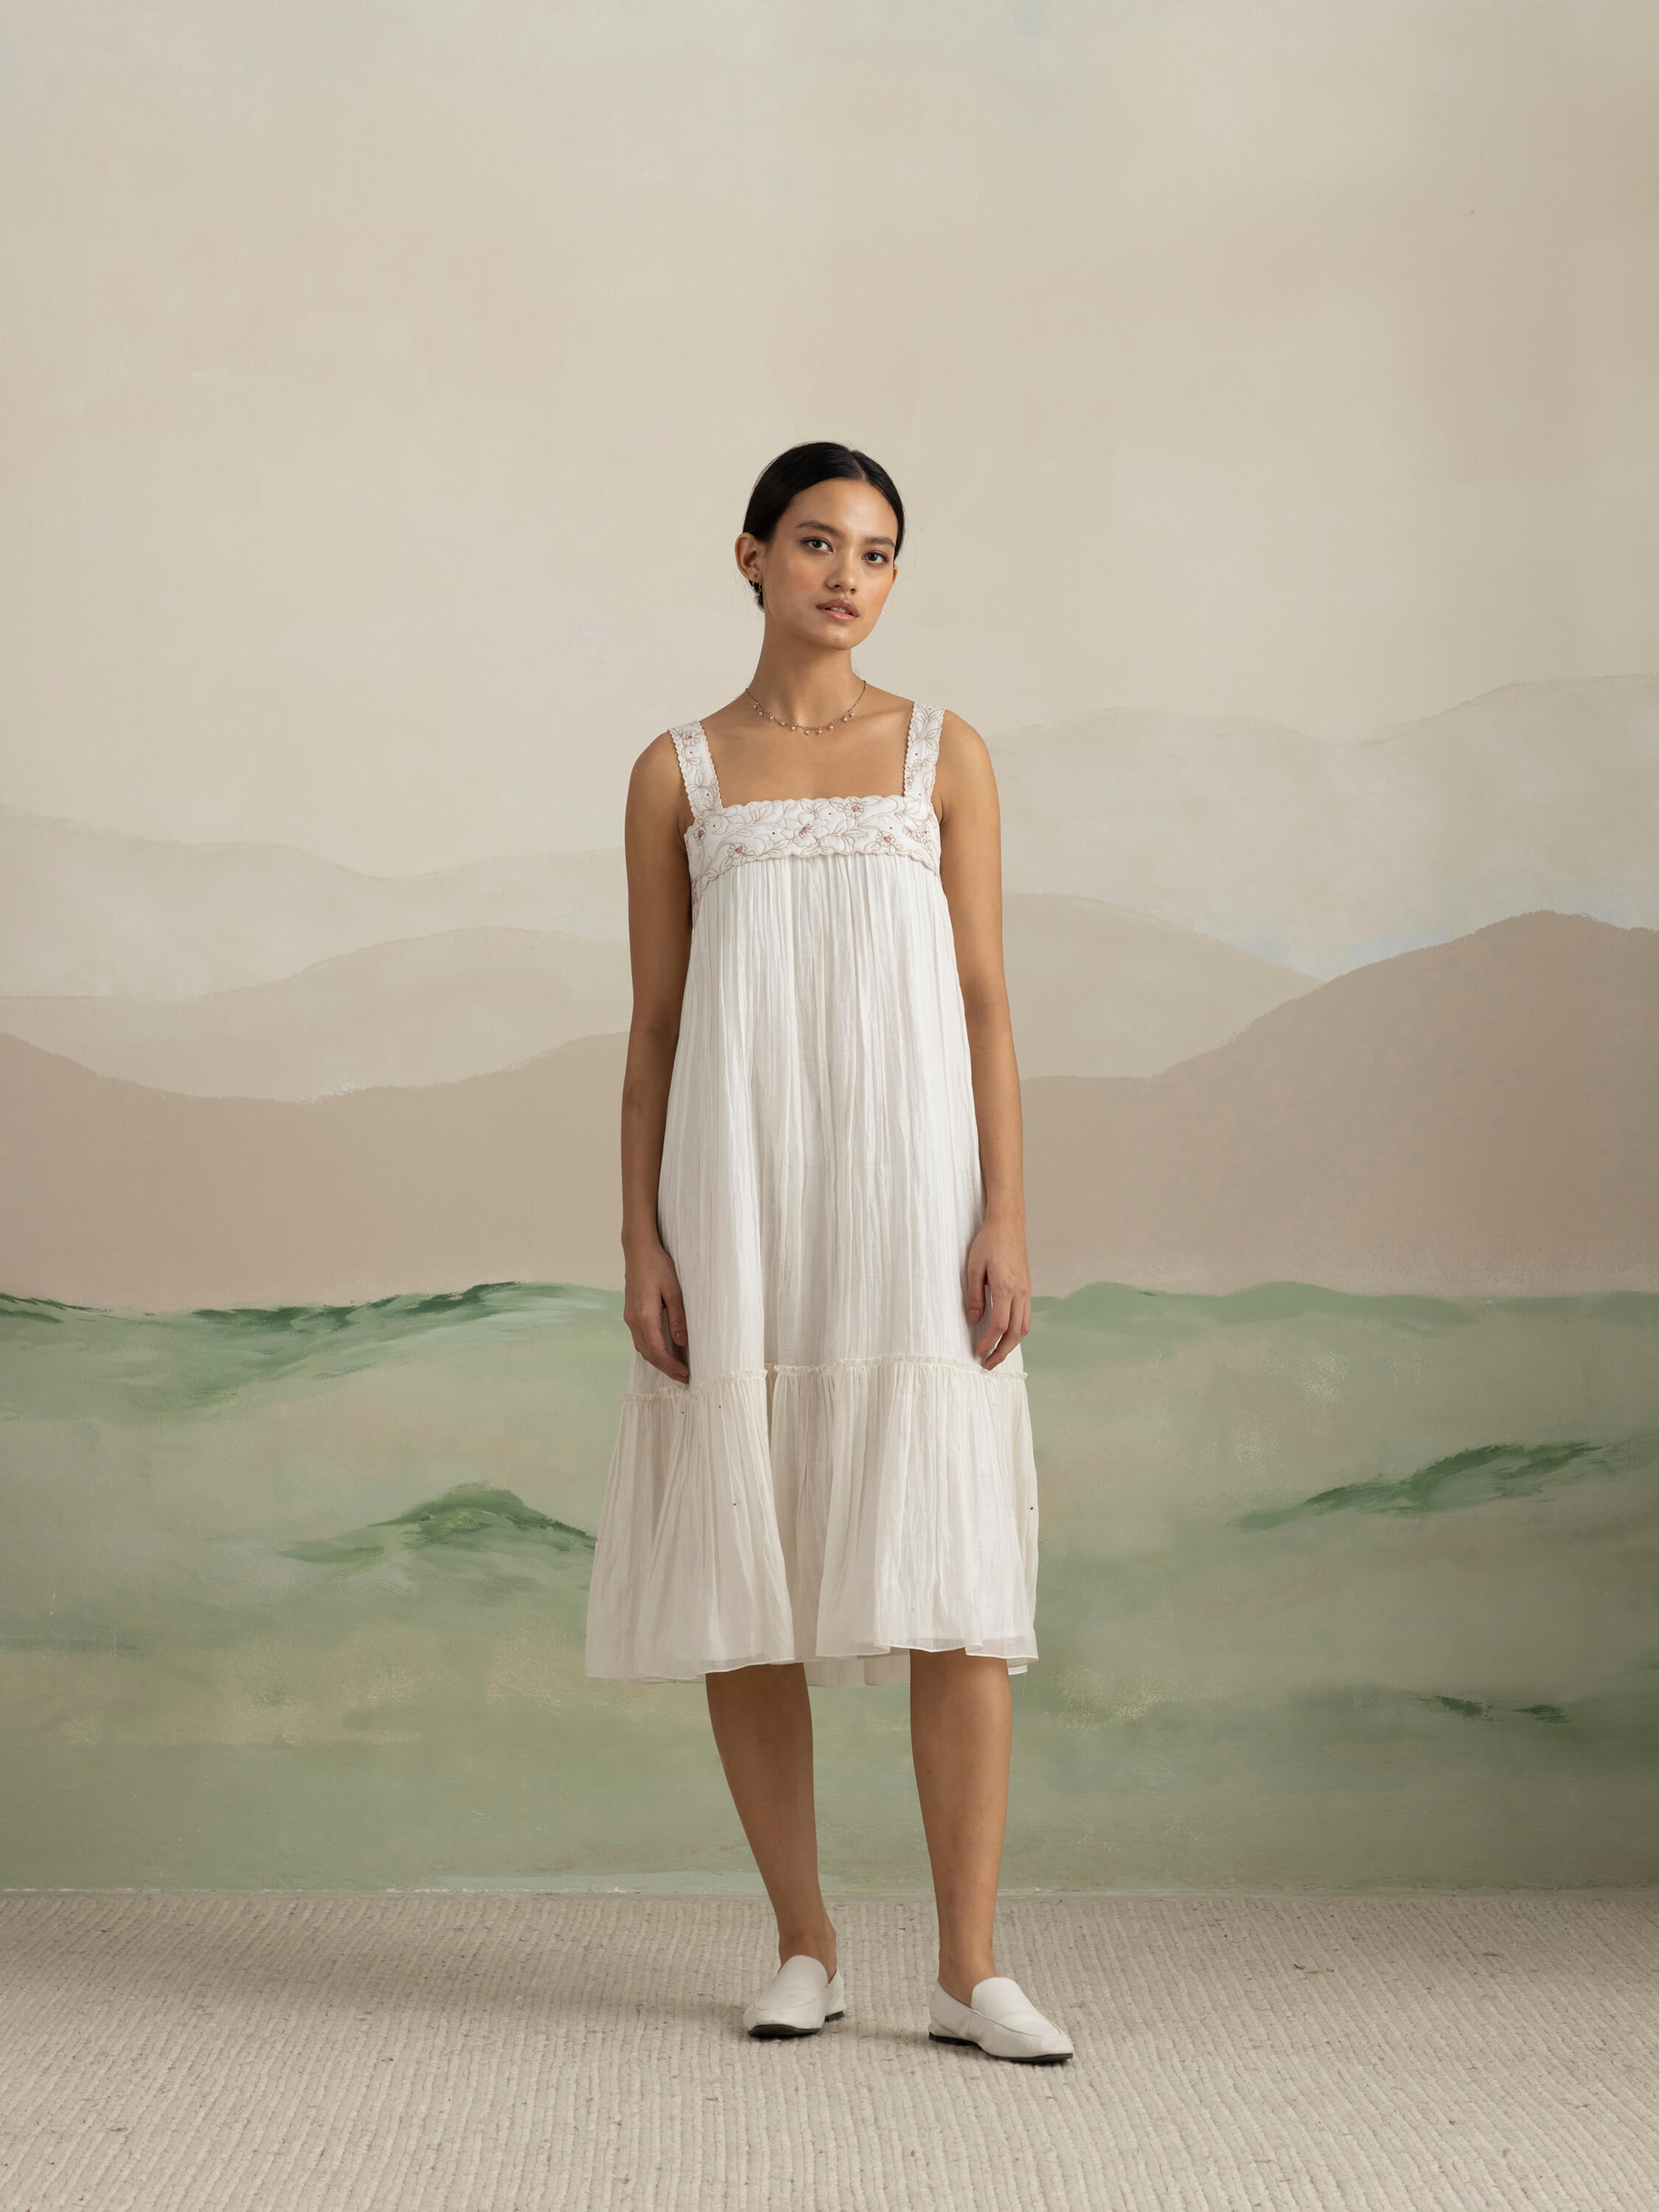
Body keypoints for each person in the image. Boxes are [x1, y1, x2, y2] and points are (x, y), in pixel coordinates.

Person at [584, 441, 1072, 2065]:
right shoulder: (681, 772)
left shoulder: (945, 756)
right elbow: (654, 1030)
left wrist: (1005, 1208)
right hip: (739, 1194)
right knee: (754, 1575)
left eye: (874, 551)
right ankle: (804, 1942)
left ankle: (971, 1969)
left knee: (954, 1582)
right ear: (749, 556)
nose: (846, 575)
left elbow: (989, 1002)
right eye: (815, 543)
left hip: (911, 1196)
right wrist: (642, 1235)